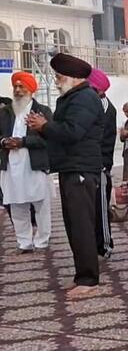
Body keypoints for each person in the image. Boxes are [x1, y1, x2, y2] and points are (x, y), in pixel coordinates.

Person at [27, 53, 103, 299]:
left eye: (59, 77)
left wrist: (45, 126)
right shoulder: (72, 97)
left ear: (73, 77)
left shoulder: (84, 99)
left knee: (82, 224)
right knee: (73, 224)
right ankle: (81, 274)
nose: (57, 81)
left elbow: (72, 132)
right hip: (71, 166)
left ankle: (89, 279)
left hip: (82, 168)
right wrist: (43, 127)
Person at [0, 72, 53, 253]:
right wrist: (4, 142)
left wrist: (23, 142)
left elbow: (49, 139)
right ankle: (24, 242)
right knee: (16, 205)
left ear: (31, 89)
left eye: (22, 86)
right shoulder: (5, 112)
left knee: (41, 204)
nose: (18, 90)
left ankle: (42, 241)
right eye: (16, 86)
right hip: (10, 164)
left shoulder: (43, 111)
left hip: (34, 163)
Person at [88, 69, 116, 258]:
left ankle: (105, 245)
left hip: (100, 166)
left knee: (100, 208)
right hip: (86, 164)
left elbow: (101, 139)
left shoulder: (105, 107)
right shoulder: (90, 103)